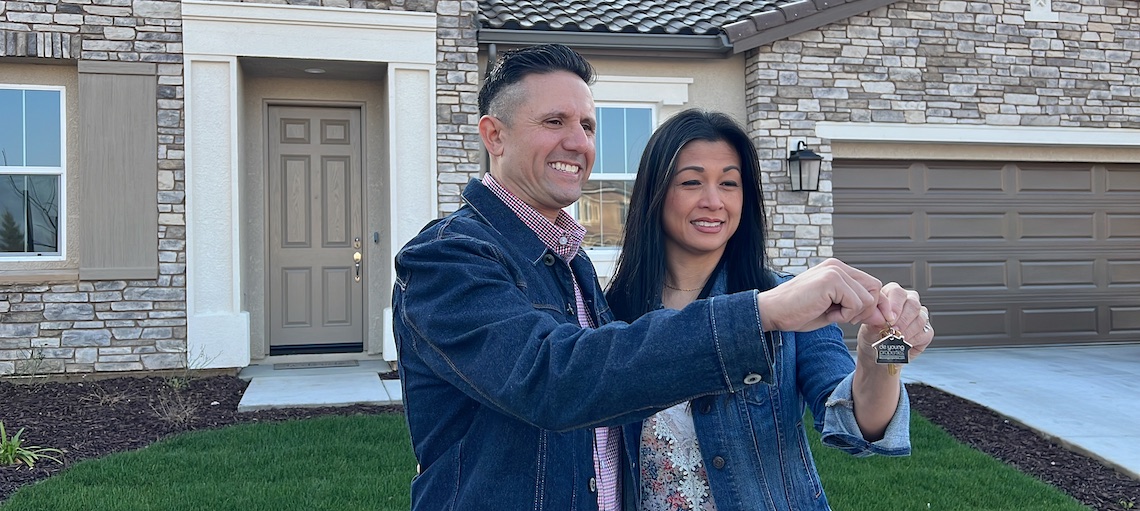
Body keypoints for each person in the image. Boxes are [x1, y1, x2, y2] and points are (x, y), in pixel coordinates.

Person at [392, 44, 913, 511]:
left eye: (589, 126)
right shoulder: (453, 259)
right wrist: (761, 314)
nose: (577, 142)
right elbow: (555, 379)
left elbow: (854, 425)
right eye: (554, 121)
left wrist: (882, 351)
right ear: (494, 135)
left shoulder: (573, 271)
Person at [605, 109, 934, 511]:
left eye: (729, 183)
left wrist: (882, 352)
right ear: (654, 194)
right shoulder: (612, 313)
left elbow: (856, 426)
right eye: (692, 182)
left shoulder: (791, 301)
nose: (714, 201)